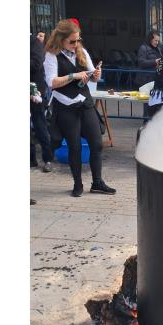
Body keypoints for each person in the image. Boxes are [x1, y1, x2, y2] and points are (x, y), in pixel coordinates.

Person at [44, 19, 116, 197]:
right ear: (61, 39)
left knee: (97, 144)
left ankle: (97, 182)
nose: (76, 44)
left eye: (77, 40)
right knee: (74, 147)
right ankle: (78, 184)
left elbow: (92, 75)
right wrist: (74, 75)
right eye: (72, 41)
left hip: (85, 103)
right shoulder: (51, 55)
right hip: (66, 106)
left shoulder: (81, 51)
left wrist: (95, 75)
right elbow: (52, 83)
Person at [30, 34, 53, 172]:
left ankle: (47, 159)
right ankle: (31, 159)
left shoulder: (34, 42)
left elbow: (37, 63)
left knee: (39, 124)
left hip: (34, 91)